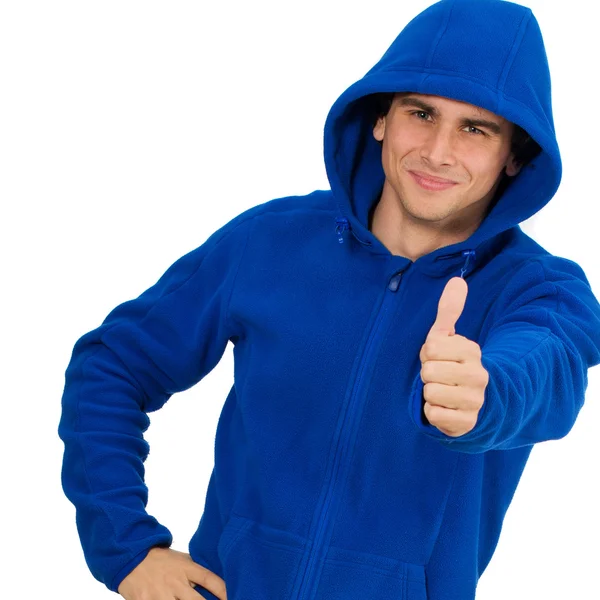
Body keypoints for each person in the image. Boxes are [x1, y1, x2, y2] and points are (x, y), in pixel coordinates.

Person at [58, 0, 600, 598]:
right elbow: (110, 366)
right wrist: (127, 548)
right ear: (380, 120)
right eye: (421, 113)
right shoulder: (269, 242)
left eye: (476, 129)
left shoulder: (541, 290)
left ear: (514, 156)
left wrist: (488, 393)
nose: (438, 151)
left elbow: (548, 365)